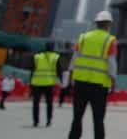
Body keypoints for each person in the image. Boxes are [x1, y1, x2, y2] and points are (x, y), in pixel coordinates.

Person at [68, 10, 117, 139]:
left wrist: (71, 78)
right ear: (108, 24)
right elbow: (111, 63)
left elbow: (74, 60)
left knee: (77, 117)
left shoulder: (83, 38)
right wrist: (113, 81)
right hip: (99, 86)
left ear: (96, 23)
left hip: (80, 83)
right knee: (98, 119)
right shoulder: (110, 40)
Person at [30, 42, 61, 127]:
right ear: (53, 48)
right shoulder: (55, 57)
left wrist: (30, 83)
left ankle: (36, 121)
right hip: (49, 83)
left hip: (37, 82)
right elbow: (59, 70)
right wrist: (61, 81)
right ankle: (49, 120)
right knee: (49, 103)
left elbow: (32, 70)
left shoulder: (37, 57)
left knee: (36, 103)